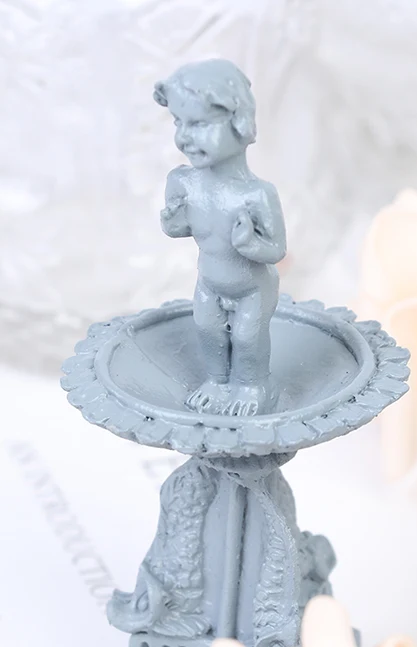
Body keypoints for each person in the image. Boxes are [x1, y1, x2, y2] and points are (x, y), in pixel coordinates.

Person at [155, 59, 286, 416]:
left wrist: (251, 246)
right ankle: (217, 382)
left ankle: (253, 385)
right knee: (207, 329)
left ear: (239, 122)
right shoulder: (182, 183)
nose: (184, 136)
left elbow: (276, 250)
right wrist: (172, 222)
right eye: (179, 122)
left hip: (252, 290)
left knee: (247, 337)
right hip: (209, 284)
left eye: (199, 124)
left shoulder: (257, 195)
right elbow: (182, 230)